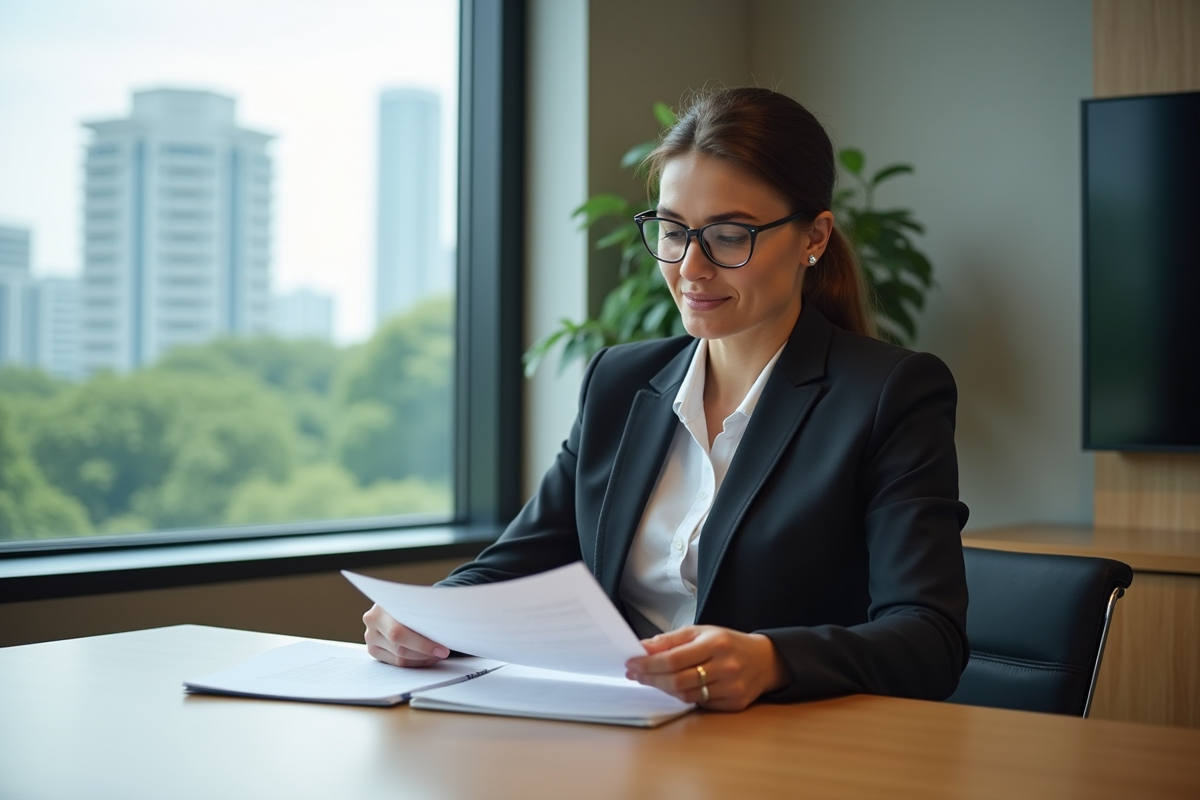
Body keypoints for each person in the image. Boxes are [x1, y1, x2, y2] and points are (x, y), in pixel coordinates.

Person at [364, 86, 969, 712]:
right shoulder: (620, 382)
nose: (690, 268)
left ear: (813, 237)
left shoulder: (889, 393)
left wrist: (771, 660)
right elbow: (518, 561)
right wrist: (427, 616)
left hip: (781, 746)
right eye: (673, 230)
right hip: (617, 733)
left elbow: (929, 640)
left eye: (730, 236)